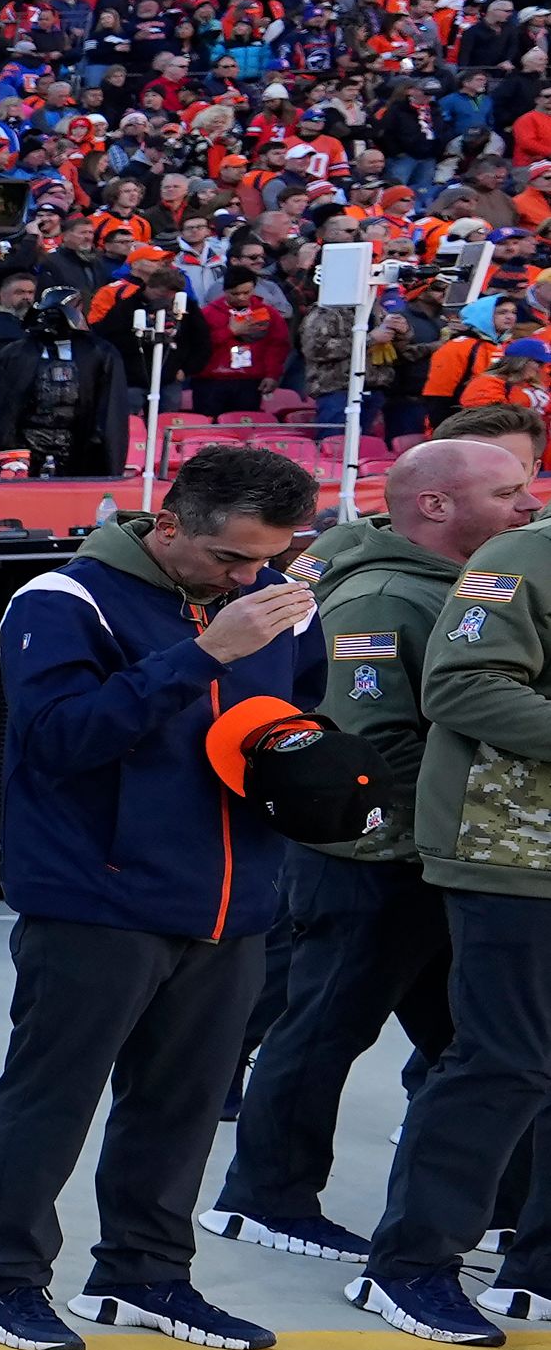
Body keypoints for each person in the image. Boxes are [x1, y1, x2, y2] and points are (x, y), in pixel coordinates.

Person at [0, 445, 324, 1350]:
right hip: (97, 899)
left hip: (232, 903)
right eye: (231, 559)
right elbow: (57, 741)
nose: (252, 577)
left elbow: (291, 723)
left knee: (184, 1103)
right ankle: (3, 1282)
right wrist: (204, 654)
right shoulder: (61, 600)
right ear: (167, 525)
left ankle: (145, 1275)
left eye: (268, 558)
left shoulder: (278, 605)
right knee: (51, 1099)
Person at [203, 436, 532, 1266]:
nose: (526, 504)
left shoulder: (453, 586)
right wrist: (425, 825)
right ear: (433, 504)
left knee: (470, 1043)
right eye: (505, 492)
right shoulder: (386, 594)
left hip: (428, 857)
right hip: (373, 859)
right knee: (323, 1028)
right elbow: (366, 736)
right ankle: (264, 1197)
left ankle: (492, 1201)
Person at [355, 445, 551, 1342]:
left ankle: (535, 1269)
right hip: (509, 852)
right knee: (501, 1062)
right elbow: (460, 686)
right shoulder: (522, 559)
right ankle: (410, 1267)